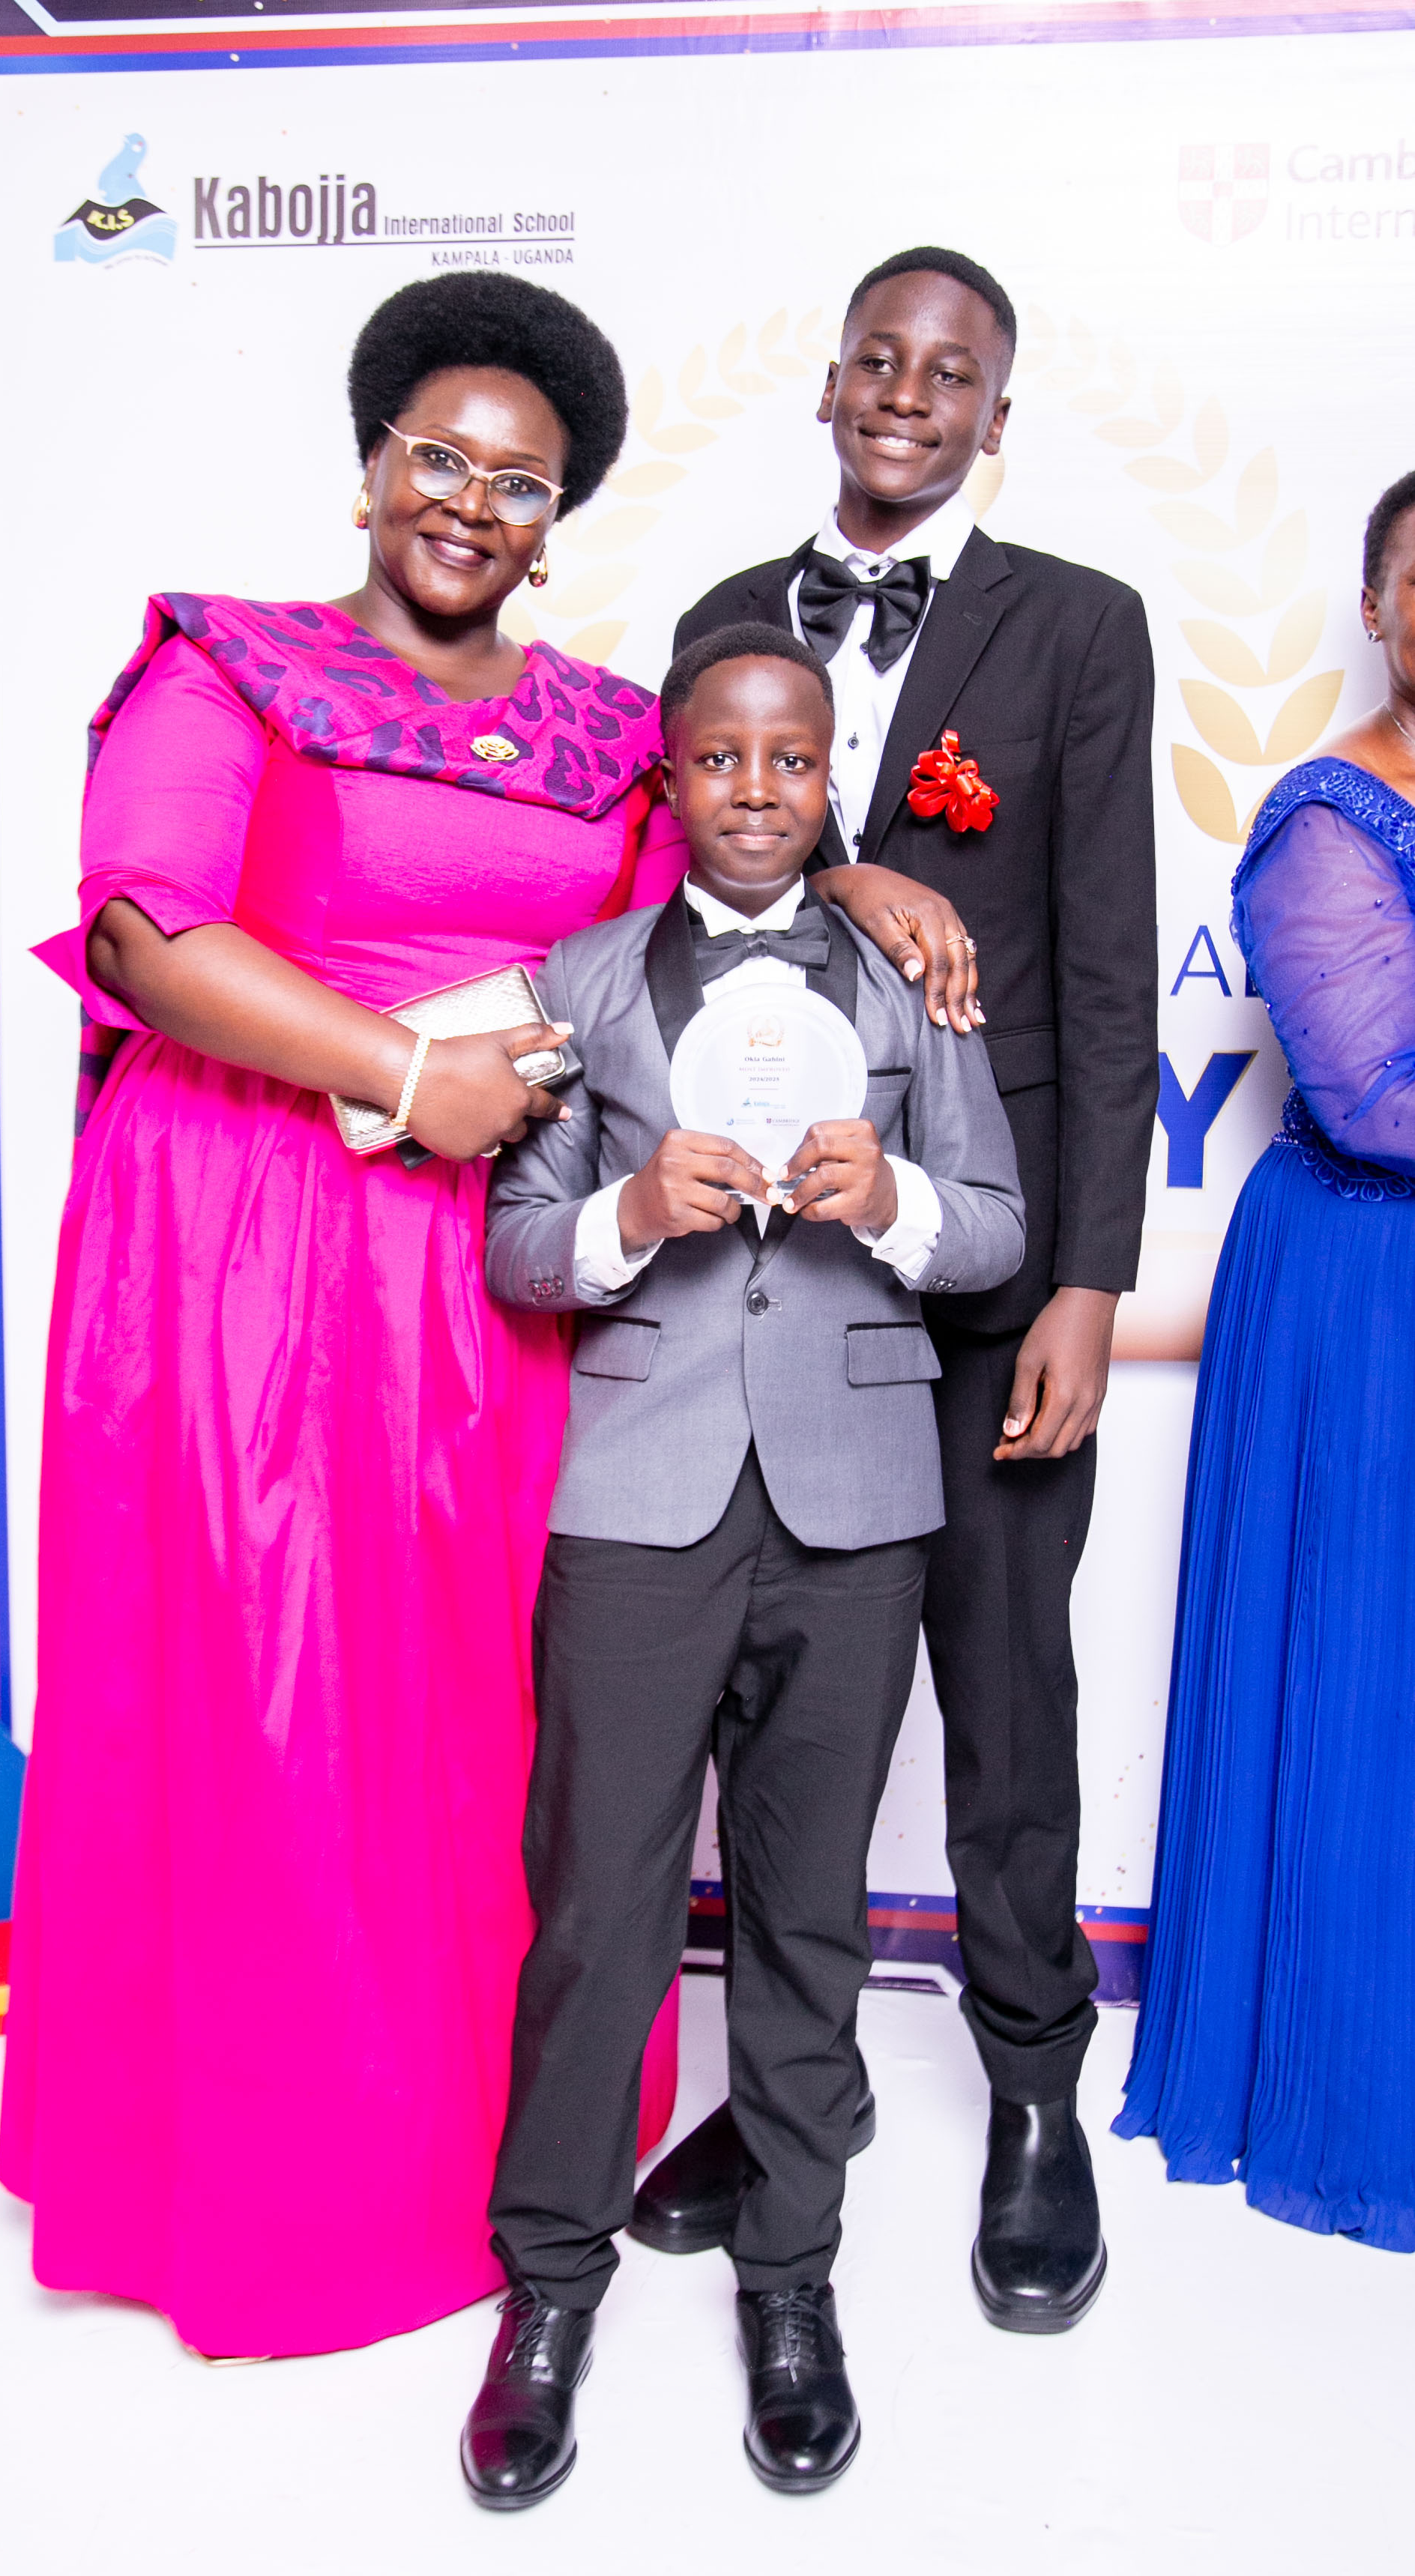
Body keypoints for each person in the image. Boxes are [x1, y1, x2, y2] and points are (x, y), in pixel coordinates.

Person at [0, 271, 984, 2363]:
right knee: (274, 1705)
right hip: (250, 1249)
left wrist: (860, 877)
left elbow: (718, 889)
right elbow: (146, 935)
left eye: (517, 482)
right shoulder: (227, 664)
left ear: (555, 523)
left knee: (489, 1724)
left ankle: (491, 2164)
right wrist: (395, 1069)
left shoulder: (612, 732)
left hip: (506, 1274)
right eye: (436, 458)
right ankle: (278, 2180)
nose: (468, 500)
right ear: (370, 467)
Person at [633, 247, 1159, 2332]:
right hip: (773, 1262)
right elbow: (677, 910)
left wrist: (1089, 1279)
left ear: (994, 416)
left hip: (992, 1253)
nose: (907, 394)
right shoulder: (720, 623)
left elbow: (1106, 975)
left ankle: (1033, 2094)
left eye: (951, 373)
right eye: (878, 358)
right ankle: (792, 2097)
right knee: (793, 1709)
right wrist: (848, 861)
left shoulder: (1081, 625)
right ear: (830, 381)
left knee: (1005, 1693)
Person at [459, 628, 1025, 2506]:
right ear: (674, 777)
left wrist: (901, 1201)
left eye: (793, 760)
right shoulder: (582, 979)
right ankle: (549, 2290)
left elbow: (997, 1228)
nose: (759, 790)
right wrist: (628, 1211)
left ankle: (792, 2280)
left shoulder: (913, 970)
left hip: (858, 1507)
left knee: (807, 1918)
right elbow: (516, 1244)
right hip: (637, 1504)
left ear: (828, 775)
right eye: (722, 759)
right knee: (595, 1914)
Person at [1114, 474, 1415, 2251]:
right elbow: (1377, 1094)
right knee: (1369, 1691)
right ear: (1378, 604)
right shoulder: (1329, 813)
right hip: (1369, 1296)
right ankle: (1348, 2082)